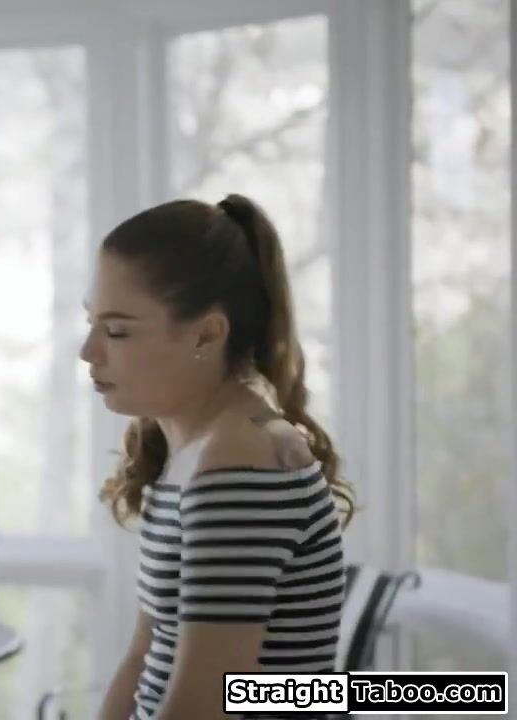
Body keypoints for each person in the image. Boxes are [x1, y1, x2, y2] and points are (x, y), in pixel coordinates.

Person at [81, 195, 354, 720]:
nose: (89, 350)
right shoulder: (189, 449)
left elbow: (205, 707)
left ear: (206, 334)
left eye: (116, 330)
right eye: (92, 322)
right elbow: (143, 657)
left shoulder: (239, 460)